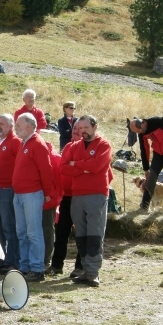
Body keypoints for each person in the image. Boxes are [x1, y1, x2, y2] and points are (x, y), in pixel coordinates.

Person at [61, 115, 112, 288]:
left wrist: (76, 164)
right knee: (81, 235)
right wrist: (85, 167)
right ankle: (85, 269)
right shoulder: (73, 146)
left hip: (96, 194)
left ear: (95, 127)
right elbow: (64, 167)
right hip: (77, 195)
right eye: (79, 129)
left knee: (95, 234)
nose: (82, 132)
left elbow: (97, 166)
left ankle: (93, 273)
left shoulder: (104, 145)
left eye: (86, 128)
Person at [12, 113, 55, 282]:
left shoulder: (37, 143)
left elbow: (46, 170)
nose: (16, 128)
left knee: (33, 232)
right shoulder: (24, 143)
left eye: (19, 125)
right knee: (22, 232)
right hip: (20, 194)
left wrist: (48, 193)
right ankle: (25, 266)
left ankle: (37, 268)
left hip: (32, 194)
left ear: (29, 126)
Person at [47, 121, 84, 278]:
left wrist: (75, 165)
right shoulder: (68, 147)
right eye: (74, 128)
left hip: (82, 195)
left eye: (79, 129)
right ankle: (56, 265)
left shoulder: (91, 147)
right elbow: (63, 168)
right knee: (61, 232)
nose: (75, 131)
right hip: (67, 196)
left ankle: (80, 267)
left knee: (82, 233)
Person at [0, 114, 21, 274]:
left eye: (3, 124)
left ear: (11, 126)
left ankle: (12, 260)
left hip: (7, 189)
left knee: (9, 227)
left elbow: (20, 165)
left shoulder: (15, 142)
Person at [42, 142, 62, 270]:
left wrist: (54, 198)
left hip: (48, 200)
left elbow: (60, 182)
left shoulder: (54, 158)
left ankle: (45, 261)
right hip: (31, 199)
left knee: (47, 230)